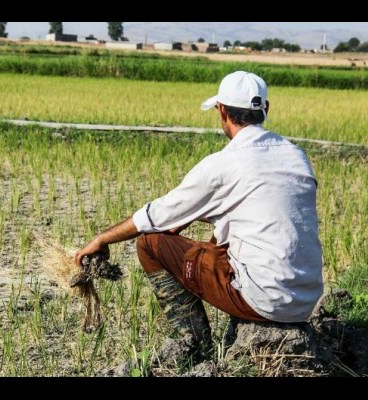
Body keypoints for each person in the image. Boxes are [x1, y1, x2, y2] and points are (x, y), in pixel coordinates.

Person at [75, 71, 323, 369]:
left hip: (266, 301)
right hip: (305, 300)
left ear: (221, 110)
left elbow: (155, 216)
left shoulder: (222, 164)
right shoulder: (296, 155)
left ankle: (192, 342)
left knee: (150, 244)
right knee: (222, 236)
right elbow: (256, 209)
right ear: (265, 110)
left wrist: (102, 239)